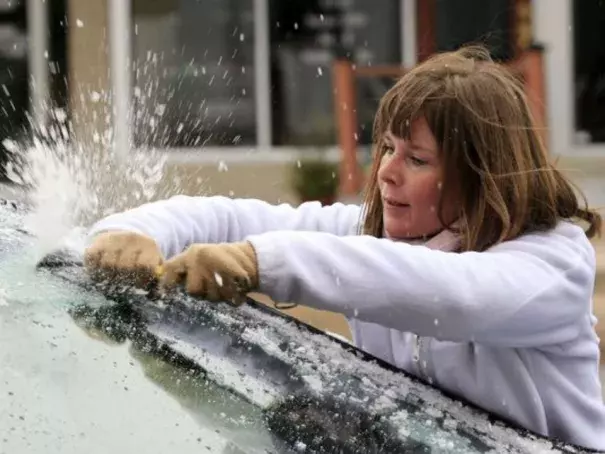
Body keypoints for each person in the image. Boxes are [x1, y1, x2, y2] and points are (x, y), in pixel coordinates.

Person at [84, 46, 605, 450]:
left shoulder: (552, 264)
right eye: (386, 149)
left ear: (479, 177)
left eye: (417, 160)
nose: (385, 173)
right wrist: (127, 233)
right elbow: (232, 215)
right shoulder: (374, 240)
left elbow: (453, 296)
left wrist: (256, 262)